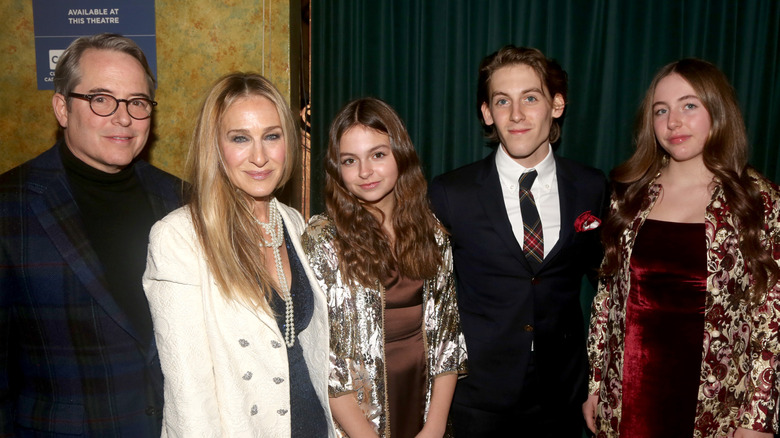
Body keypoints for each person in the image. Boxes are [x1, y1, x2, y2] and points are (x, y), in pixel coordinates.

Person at [584, 58, 780, 438]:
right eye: (661, 110)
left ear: (718, 111)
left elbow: (771, 318)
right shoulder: (631, 195)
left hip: (716, 409)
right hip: (625, 404)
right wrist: (595, 382)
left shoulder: (758, 201)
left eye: (689, 105)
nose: (673, 122)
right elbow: (607, 297)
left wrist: (758, 419)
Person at [0, 33, 183, 436]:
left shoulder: (182, 199)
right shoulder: (9, 206)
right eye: (102, 99)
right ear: (62, 108)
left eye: (137, 102)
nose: (124, 118)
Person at [428, 45, 609, 437]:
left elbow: (608, 286)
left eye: (530, 98)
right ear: (487, 113)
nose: (516, 115)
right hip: (477, 396)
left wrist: (600, 380)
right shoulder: (451, 193)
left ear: (556, 105)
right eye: (502, 101)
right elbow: (429, 299)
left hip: (562, 393)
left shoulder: (591, 186)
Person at [142, 72, 335, 437]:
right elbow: (188, 394)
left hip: (313, 425)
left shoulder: (292, 221)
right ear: (215, 146)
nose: (260, 157)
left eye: (272, 136)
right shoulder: (179, 237)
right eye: (240, 138)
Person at [302, 97, 467, 438]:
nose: (365, 172)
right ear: (337, 169)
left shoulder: (432, 232)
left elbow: (448, 337)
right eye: (350, 160)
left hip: (423, 409)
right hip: (355, 423)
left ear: (400, 155)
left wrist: (435, 427)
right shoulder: (323, 240)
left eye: (377, 155)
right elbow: (323, 357)